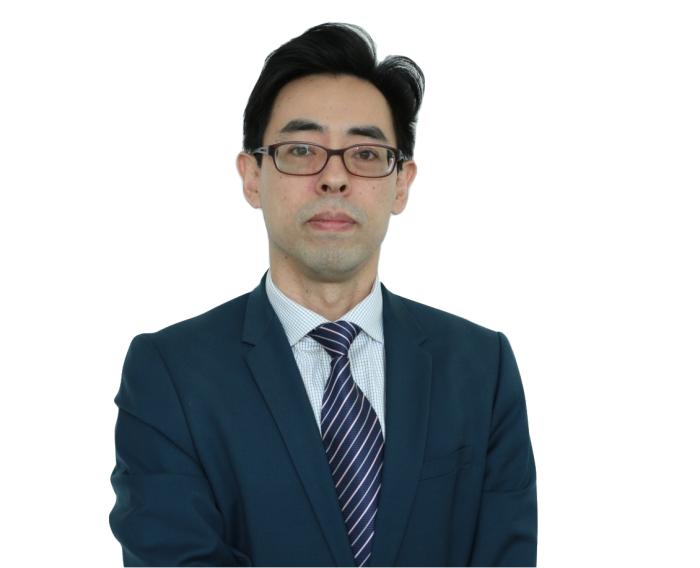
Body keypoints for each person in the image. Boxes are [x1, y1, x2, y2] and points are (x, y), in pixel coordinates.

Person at [109, 22, 537, 567]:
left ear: (401, 183)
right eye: (301, 149)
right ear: (252, 177)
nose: (334, 178)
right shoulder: (170, 374)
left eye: (365, 154)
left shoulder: (481, 368)